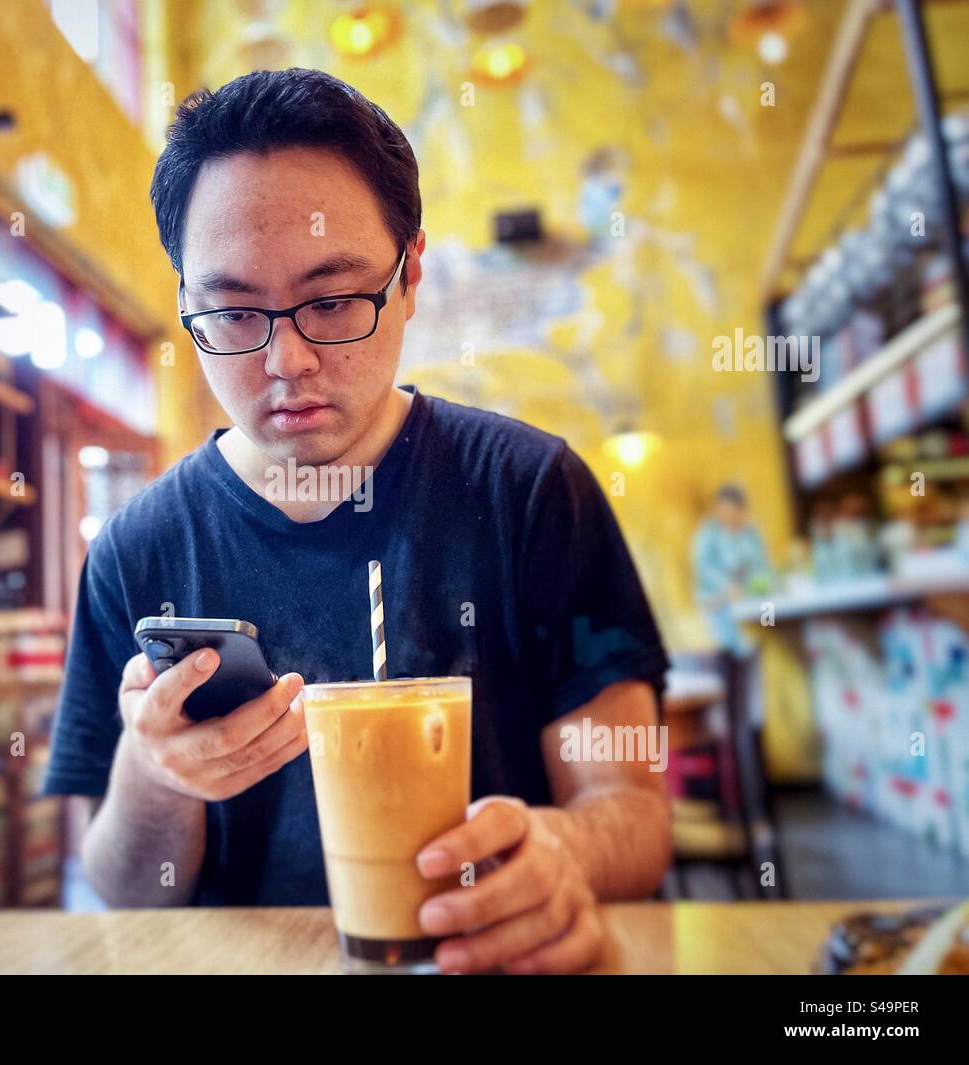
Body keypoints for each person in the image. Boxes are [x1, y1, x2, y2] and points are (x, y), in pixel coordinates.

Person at [43, 68, 671, 975]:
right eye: (231, 312)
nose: (285, 359)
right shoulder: (137, 551)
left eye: (332, 301)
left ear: (410, 273)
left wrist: (562, 856)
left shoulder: (531, 491)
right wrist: (154, 774)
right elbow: (121, 890)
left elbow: (635, 811)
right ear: (186, 303)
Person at [691, 483, 770, 657]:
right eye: (724, 512)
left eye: (734, 512)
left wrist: (758, 585)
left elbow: (762, 567)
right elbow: (705, 569)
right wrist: (728, 587)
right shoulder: (708, 534)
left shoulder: (750, 533)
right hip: (716, 602)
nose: (729, 517)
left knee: (768, 626)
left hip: (750, 599)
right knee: (732, 646)